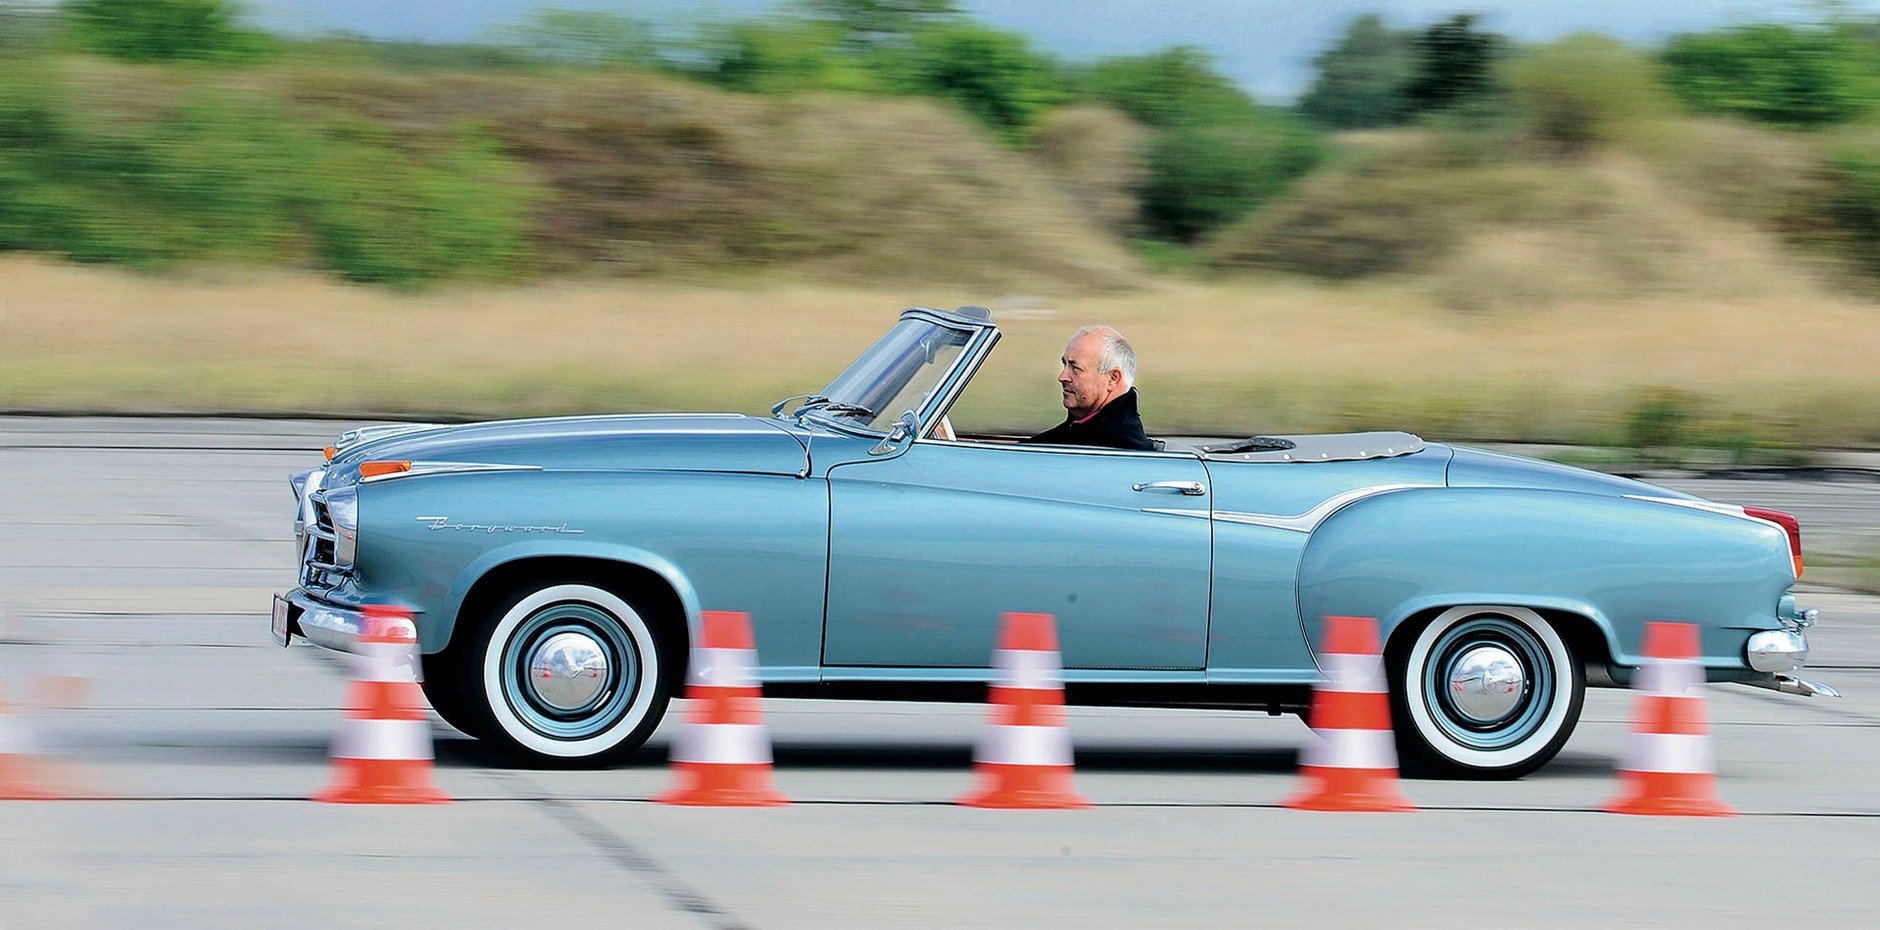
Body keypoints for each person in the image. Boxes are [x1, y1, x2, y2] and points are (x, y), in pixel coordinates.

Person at [1023, 324, 1155, 451]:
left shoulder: (1116, 447)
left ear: (1113, 378)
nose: (1062, 377)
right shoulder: (1082, 429)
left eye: (1075, 368)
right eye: (1065, 364)